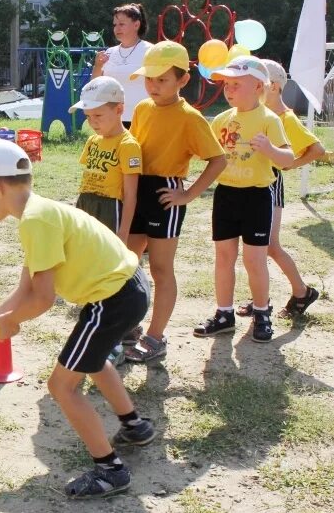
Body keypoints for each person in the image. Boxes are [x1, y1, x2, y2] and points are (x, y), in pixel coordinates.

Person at [0, 139, 154, 499]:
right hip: (127, 288)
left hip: (112, 299)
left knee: (61, 386)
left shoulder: (35, 221)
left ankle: (110, 469)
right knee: (93, 361)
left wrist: (11, 323)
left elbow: (43, 300)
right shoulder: (38, 213)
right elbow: (25, 291)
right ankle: (135, 425)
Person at [123, 41, 227, 363]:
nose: (153, 86)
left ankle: (156, 337)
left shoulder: (191, 118)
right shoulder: (141, 109)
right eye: (149, 79)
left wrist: (187, 195)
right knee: (128, 262)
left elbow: (218, 160)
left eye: (162, 80)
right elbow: (135, 151)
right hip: (136, 189)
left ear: (183, 80)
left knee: (160, 268)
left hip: (165, 194)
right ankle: (129, 325)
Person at [192, 57, 294, 343]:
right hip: (226, 196)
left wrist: (270, 148)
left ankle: (262, 312)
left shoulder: (269, 119)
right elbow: (210, 154)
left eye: (236, 84)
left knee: (254, 259)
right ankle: (224, 314)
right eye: (227, 84)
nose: (229, 89)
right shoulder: (223, 120)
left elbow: (288, 159)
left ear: (258, 86)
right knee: (224, 257)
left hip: (256, 197)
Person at [233, 59, 323, 319]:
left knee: (268, 245)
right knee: (257, 246)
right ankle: (262, 297)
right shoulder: (260, 115)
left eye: (256, 83)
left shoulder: (285, 118)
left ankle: (301, 291)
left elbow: (316, 149)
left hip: (270, 184)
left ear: (271, 86)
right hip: (254, 184)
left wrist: (289, 165)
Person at [69, 75, 143, 366]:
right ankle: (112, 328)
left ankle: (117, 338)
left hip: (111, 210)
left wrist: (123, 234)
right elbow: (87, 180)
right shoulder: (92, 141)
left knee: (110, 276)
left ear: (119, 110)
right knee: (90, 271)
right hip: (88, 207)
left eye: (99, 115)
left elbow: (131, 194)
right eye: (89, 116)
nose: (94, 122)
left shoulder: (129, 145)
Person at [92, 3, 153, 128]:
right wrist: (97, 66)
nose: (117, 28)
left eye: (122, 24)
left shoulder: (150, 51)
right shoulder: (109, 53)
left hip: (143, 119)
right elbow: (94, 86)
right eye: (115, 25)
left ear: (136, 25)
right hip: (113, 120)